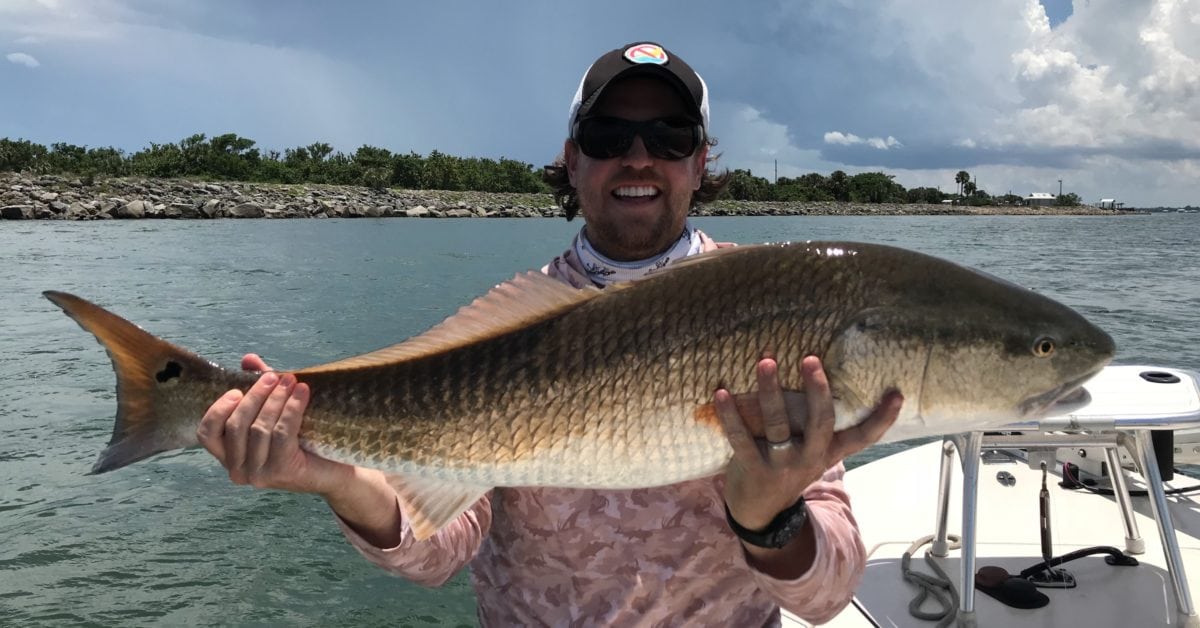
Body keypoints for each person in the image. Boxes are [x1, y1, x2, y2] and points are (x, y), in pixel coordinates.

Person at [197, 41, 902, 626]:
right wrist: (329, 476)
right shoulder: (515, 329)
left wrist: (770, 517)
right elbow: (435, 552)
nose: (638, 157)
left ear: (699, 163)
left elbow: (825, 597)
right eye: (607, 137)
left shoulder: (777, 308)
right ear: (572, 159)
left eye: (669, 137)